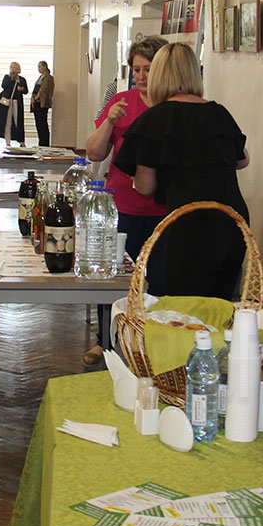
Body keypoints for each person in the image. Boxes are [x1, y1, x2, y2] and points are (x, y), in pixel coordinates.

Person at [114, 42, 249, 300]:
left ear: (159, 75)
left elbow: (145, 186)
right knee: (218, 305)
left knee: (181, 306)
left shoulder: (154, 119)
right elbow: (242, 160)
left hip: (188, 224)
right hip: (232, 221)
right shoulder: (218, 112)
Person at [83, 35, 167, 368]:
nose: (142, 76)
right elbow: (93, 151)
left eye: (148, 68)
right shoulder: (121, 100)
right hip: (122, 207)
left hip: (163, 209)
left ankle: (150, 344)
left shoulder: (171, 104)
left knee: (157, 281)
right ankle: (105, 342)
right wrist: (110, 121)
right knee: (113, 279)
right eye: (137, 69)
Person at [0, 61, 28, 146]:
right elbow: (4, 86)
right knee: (8, 121)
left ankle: (21, 141)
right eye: (11, 67)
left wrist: (21, 89)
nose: (13, 69)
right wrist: (11, 78)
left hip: (17, 102)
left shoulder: (21, 79)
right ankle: (7, 141)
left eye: (15, 67)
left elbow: (26, 91)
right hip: (7, 102)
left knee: (18, 121)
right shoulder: (7, 77)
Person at [30, 60, 54, 147]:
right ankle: (41, 142)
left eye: (40, 67)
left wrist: (36, 97)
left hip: (42, 103)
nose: (39, 68)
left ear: (45, 67)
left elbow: (44, 90)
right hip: (36, 103)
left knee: (42, 122)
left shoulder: (48, 78)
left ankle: (45, 143)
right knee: (38, 123)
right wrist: (33, 98)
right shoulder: (40, 77)